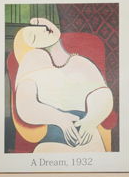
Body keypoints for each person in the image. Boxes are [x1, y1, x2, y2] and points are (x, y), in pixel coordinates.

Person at [10, 16, 113, 152]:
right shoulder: (32, 66)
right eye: (33, 36)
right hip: (52, 144)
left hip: (90, 140)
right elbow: (26, 107)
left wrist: (91, 121)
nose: (42, 30)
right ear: (31, 46)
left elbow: (103, 94)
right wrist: (59, 119)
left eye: (41, 26)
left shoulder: (81, 62)